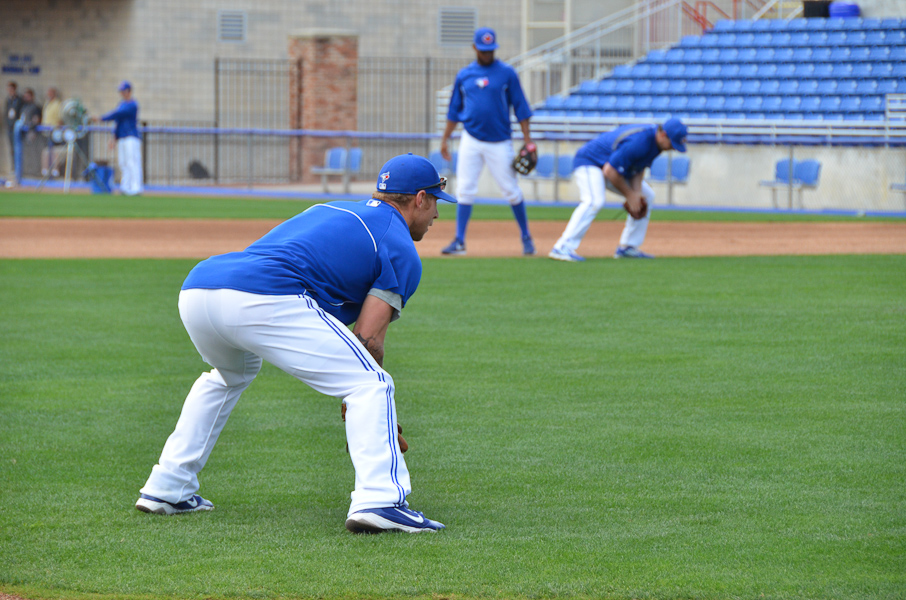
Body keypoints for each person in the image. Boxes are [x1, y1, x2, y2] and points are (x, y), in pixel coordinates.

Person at [136, 153, 454, 534]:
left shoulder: (330, 207)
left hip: (200, 287)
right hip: (263, 297)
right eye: (435, 202)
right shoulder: (400, 245)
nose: (437, 214)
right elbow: (369, 340)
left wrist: (368, 416)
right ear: (419, 198)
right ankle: (381, 500)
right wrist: (365, 409)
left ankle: (168, 486)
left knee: (228, 376)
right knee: (372, 384)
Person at [440, 27, 536, 256]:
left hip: (500, 141)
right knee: (464, 189)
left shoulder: (507, 73)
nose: (487, 53)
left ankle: (526, 237)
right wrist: (445, 139)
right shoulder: (464, 75)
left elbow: (521, 108)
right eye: (483, 50)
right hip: (470, 138)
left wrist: (528, 141)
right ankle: (460, 241)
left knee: (511, 190)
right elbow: (454, 110)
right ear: (475, 48)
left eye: (490, 49)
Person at [549, 118, 689, 262]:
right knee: (594, 201)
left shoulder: (656, 144)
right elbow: (610, 171)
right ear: (663, 134)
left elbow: (638, 169)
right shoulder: (639, 142)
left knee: (646, 196)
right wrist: (630, 195)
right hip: (590, 162)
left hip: (609, 167)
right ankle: (562, 247)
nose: (673, 147)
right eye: (672, 143)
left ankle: (628, 247)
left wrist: (636, 194)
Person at [93, 80, 143, 195]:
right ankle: (125, 187)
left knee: (132, 162)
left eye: (124, 91)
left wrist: (101, 118)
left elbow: (117, 114)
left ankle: (136, 187)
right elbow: (117, 122)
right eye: (121, 91)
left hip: (131, 137)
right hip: (122, 137)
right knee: (123, 162)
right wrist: (113, 138)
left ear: (129, 91)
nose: (122, 93)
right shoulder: (122, 104)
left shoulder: (132, 105)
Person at [41, 87, 64, 178]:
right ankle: (47, 170)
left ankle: (54, 170)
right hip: (46, 132)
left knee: (54, 151)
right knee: (46, 151)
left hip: (54, 132)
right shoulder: (47, 104)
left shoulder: (57, 104)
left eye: (50, 93)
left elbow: (60, 119)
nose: (48, 95)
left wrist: (57, 129)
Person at [4, 81, 22, 174]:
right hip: (10, 128)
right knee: (11, 149)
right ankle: (13, 168)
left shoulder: (19, 100)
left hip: (16, 128)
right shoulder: (8, 100)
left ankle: (18, 169)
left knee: (17, 148)